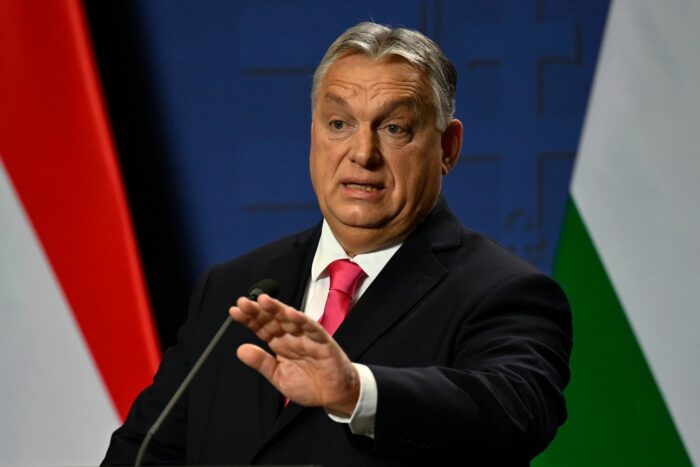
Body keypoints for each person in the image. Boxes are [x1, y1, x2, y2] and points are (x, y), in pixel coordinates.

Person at [102, 22, 572, 466]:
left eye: (394, 128)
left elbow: (516, 413)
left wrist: (356, 391)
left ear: (448, 147)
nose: (362, 154)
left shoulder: (503, 291)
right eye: (339, 123)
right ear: (313, 133)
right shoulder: (234, 287)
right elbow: (145, 452)